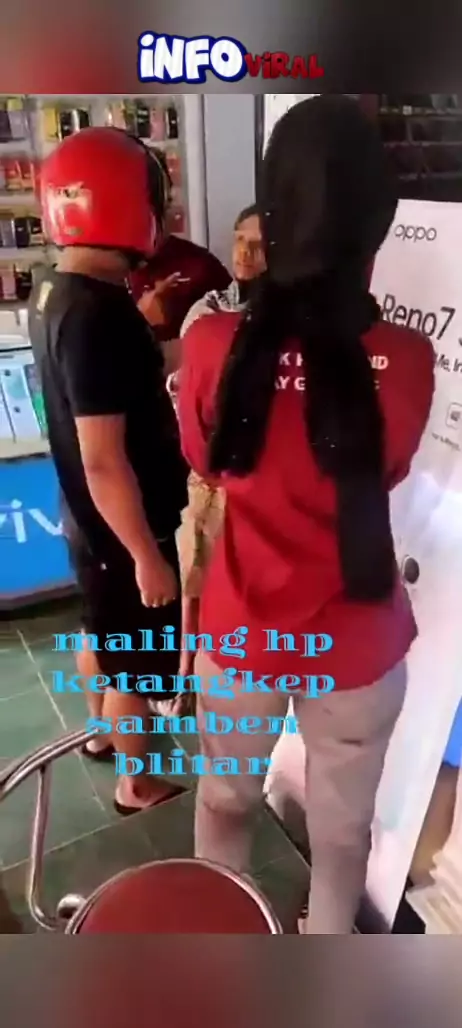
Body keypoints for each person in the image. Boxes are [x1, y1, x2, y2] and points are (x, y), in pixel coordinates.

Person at [178, 96, 435, 934]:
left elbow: (205, 459)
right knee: (342, 841)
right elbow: (387, 469)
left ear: (271, 217)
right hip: (358, 648)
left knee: (223, 806)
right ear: (378, 225)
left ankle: (221, 953)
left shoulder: (211, 345)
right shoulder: (408, 360)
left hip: (241, 638)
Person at [28, 128, 189, 815]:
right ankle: (137, 783)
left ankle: (98, 734)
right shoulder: (99, 313)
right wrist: (147, 557)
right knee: (135, 664)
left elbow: (112, 392)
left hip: (87, 520)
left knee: (101, 632)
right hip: (124, 527)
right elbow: (104, 457)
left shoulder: (56, 290)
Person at [175, 204, 266, 679]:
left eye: (259, 244)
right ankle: (186, 678)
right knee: (194, 582)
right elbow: (185, 392)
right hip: (208, 475)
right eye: (239, 240)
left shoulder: (294, 321)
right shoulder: (207, 311)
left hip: (262, 483)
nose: (245, 253)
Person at [130, 148, 231, 370]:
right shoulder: (104, 274)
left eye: (163, 202)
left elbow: (234, 341)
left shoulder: (200, 265)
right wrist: (140, 321)